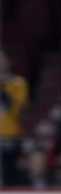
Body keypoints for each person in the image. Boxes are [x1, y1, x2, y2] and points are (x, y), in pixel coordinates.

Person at [0, 49, 29, 186]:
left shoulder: (18, 83)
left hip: (10, 137)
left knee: (10, 175)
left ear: (8, 62)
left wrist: (3, 86)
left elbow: (15, 109)